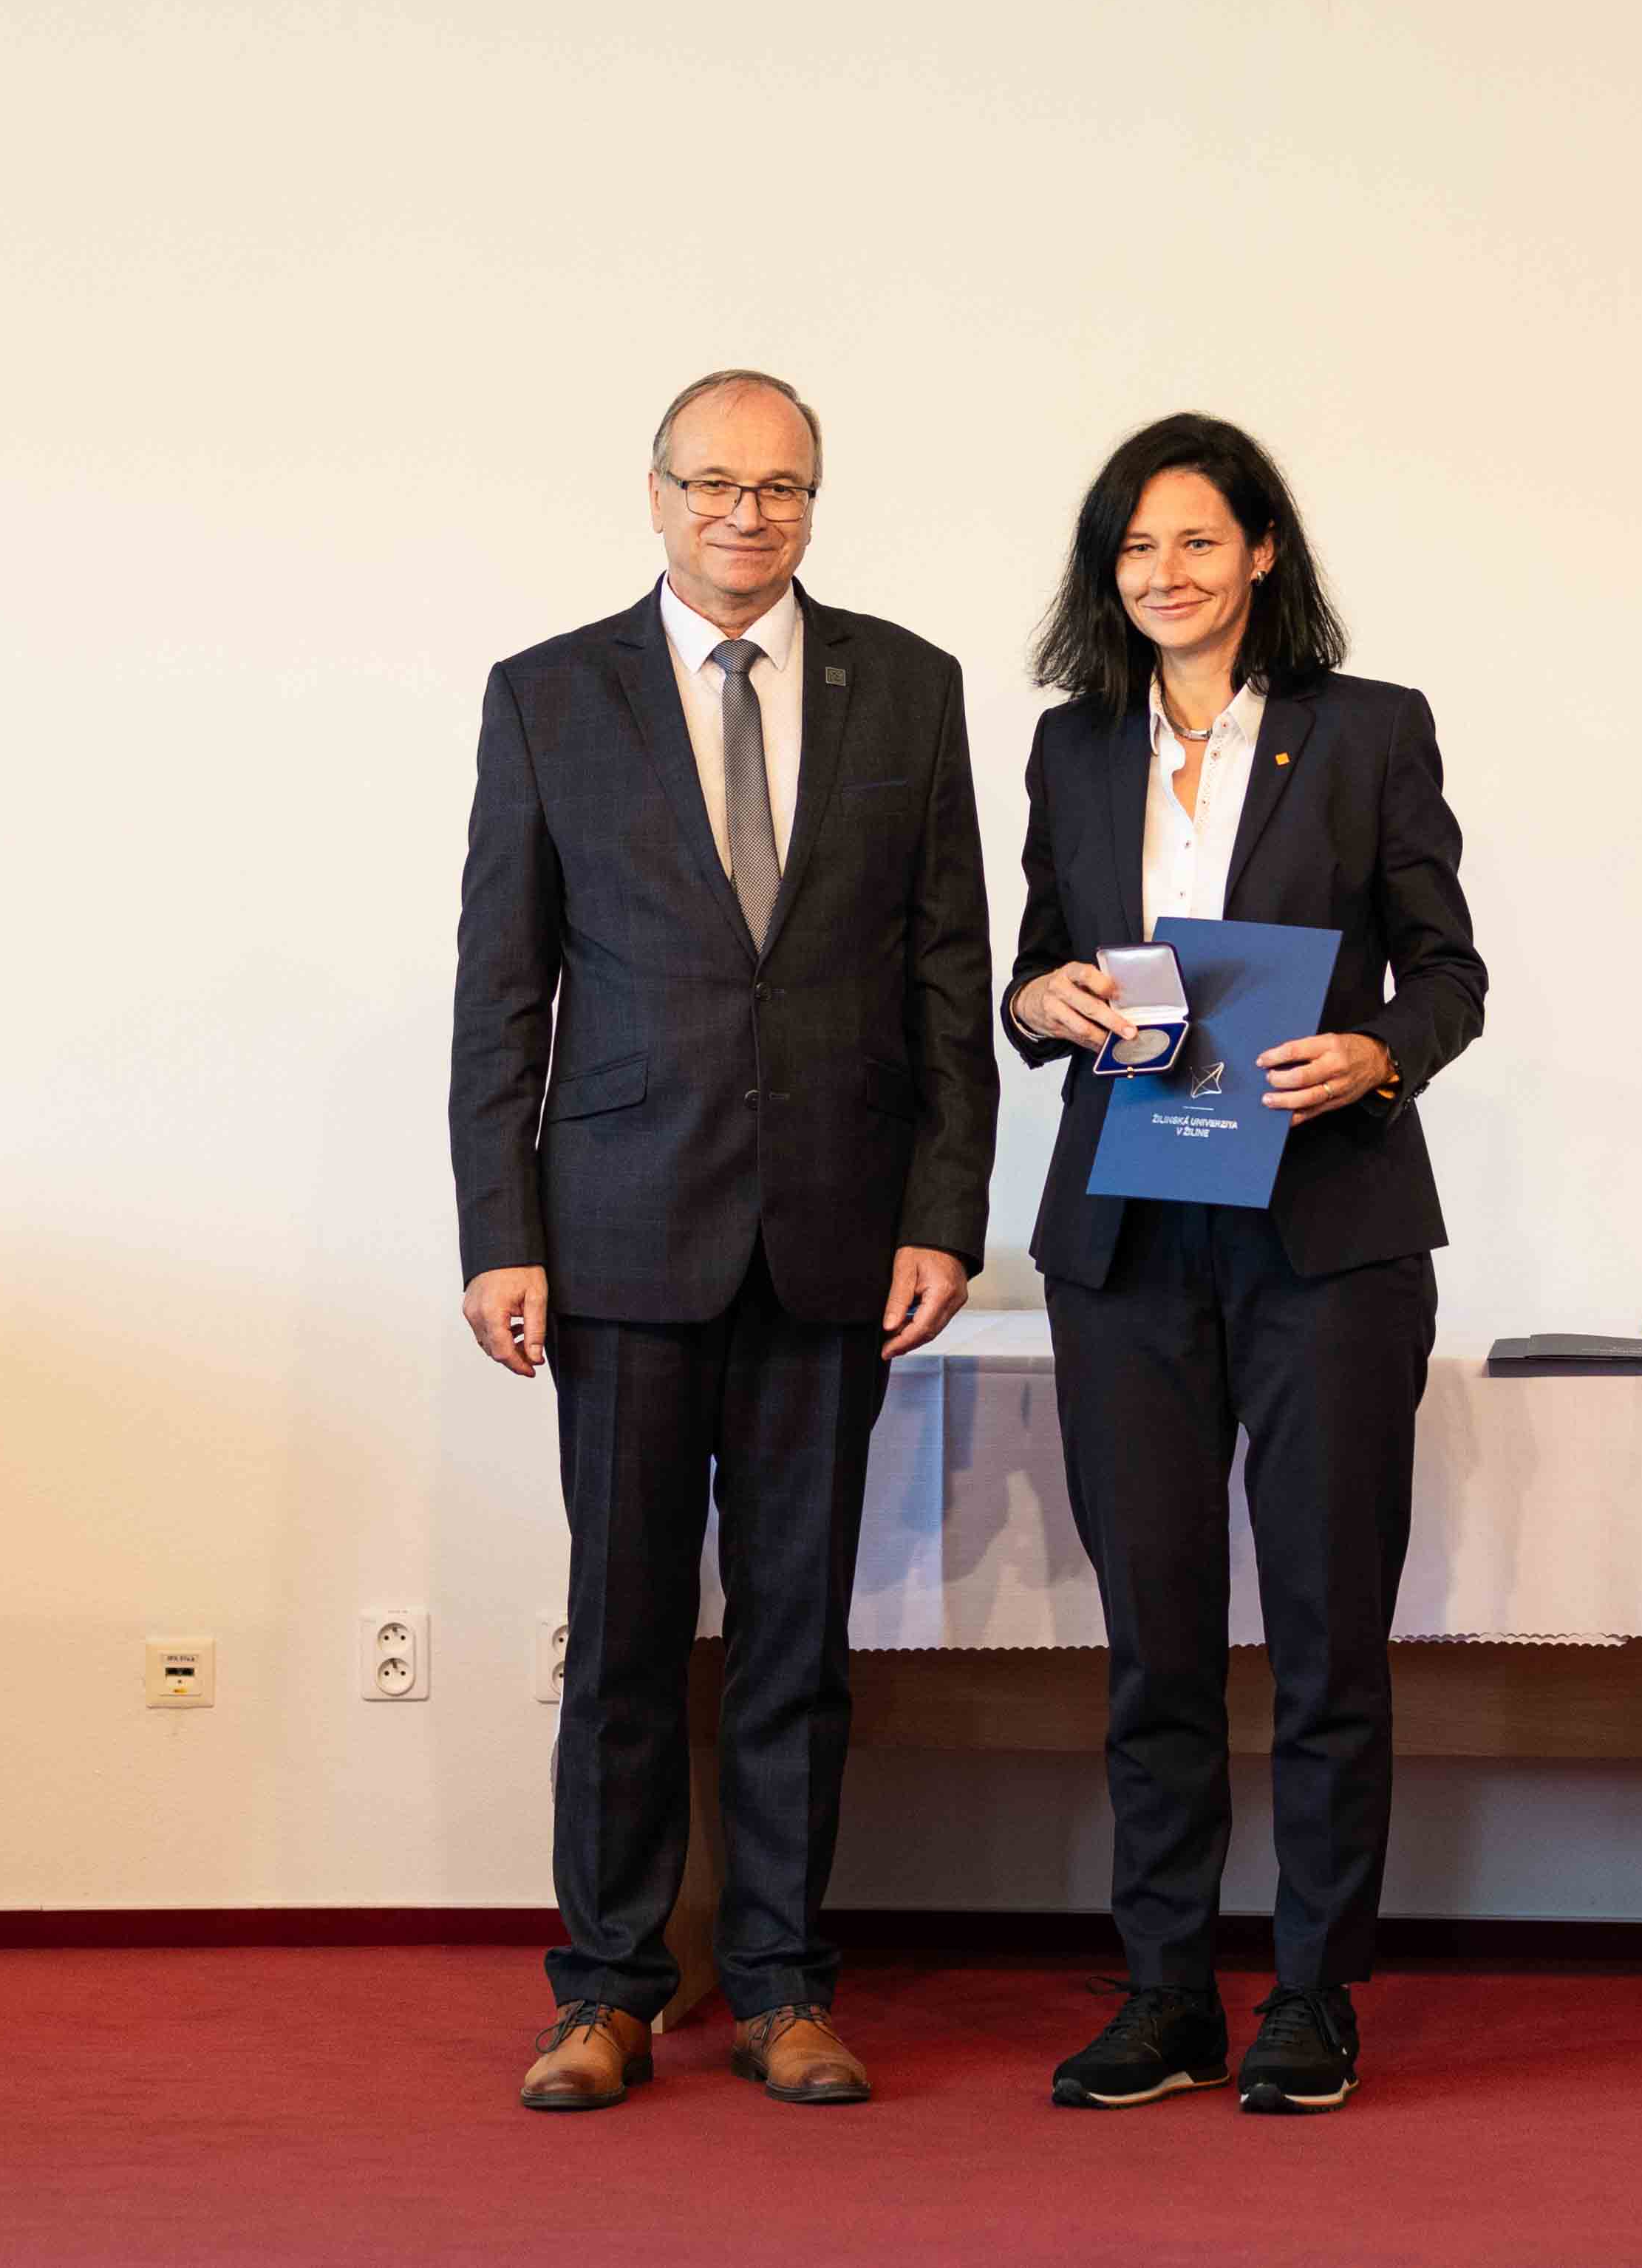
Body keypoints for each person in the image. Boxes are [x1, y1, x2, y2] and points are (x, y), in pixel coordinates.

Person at [451, 371, 997, 2111]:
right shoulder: (549, 694)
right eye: (714, 483)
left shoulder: (908, 686)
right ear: (656, 493)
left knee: (793, 1638)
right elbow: (503, 987)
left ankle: (779, 1982)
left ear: (815, 501)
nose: (746, 514)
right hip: (617, 1234)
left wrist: (945, 1213)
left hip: (836, 1236)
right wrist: (499, 1230)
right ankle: (606, 1988)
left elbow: (947, 975)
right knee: (621, 1635)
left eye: (781, 487)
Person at [1001, 416, 1482, 2115]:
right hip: (1128, 1233)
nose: (1166, 573)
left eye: (1198, 540)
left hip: (1326, 1233)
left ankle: (1315, 1993)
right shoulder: (1073, 746)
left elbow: (1449, 972)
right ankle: (1166, 1993)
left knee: (1328, 1630)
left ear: (1263, 552)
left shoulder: (1367, 730)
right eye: (1135, 548)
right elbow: (1034, 969)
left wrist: (1378, 1053)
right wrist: (1042, 1000)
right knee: (1155, 1635)